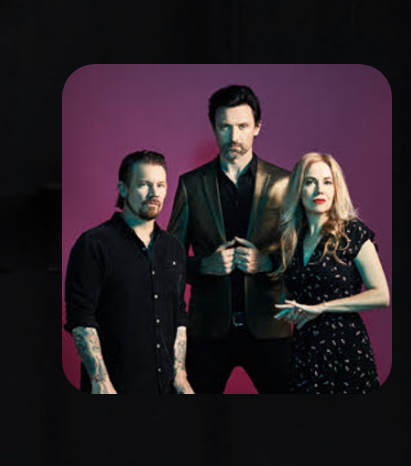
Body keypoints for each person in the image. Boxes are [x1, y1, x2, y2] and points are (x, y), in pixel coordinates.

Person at [164, 83, 295, 393]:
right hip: (207, 330)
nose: (234, 136)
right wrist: (204, 265)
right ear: (214, 127)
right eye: (225, 127)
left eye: (242, 126)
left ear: (257, 127)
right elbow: (168, 260)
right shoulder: (191, 185)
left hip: (269, 326)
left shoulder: (286, 183)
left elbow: (302, 256)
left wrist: (268, 263)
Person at [63, 149, 193, 394]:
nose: (154, 193)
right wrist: (100, 381)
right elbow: (81, 318)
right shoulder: (93, 244)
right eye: (144, 184)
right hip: (114, 388)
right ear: (123, 189)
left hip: (165, 389)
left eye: (161, 185)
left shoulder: (174, 248)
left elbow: (178, 316)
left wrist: (181, 375)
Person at [271, 151, 389, 393]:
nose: (319, 190)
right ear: (298, 189)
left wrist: (322, 307)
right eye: (310, 182)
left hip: (344, 347)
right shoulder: (292, 239)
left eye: (327, 182)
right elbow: (294, 293)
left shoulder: (353, 232)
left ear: (336, 188)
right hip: (304, 349)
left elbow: (381, 295)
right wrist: (292, 310)